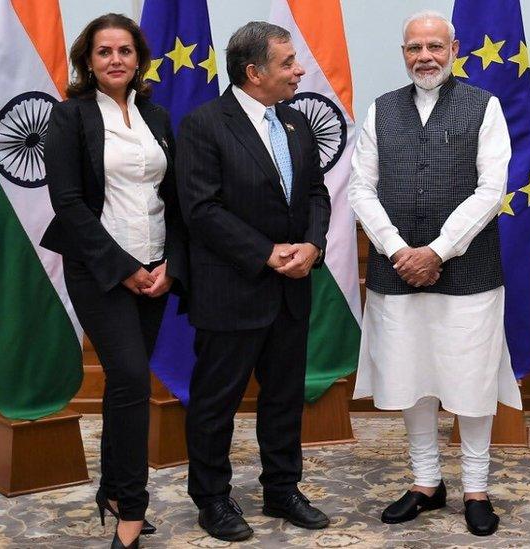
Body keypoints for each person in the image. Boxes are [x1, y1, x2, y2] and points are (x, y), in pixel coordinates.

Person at [348, 10, 522, 538]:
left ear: (454, 48)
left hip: (469, 272)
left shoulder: (484, 105)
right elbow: (360, 188)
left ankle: (475, 488)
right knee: (411, 378)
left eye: (434, 46)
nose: (424, 56)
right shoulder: (381, 110)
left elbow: (491, 190)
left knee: (470, 381)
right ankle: (426, 483)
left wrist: (439, 251)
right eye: (413, 48)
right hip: (395, 269)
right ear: (403, 53)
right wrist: (401, 249)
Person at [174, 21, 332, 543]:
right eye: (287, 63)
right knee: (216, 401)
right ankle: (213, 500)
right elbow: (201, 209)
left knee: (284, 397)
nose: (299, 70)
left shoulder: (296, 122)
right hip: (233, 289)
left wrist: (312, 245)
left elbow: (315, 193)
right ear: (253, 72)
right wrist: (265, 253)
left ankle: (282, 490)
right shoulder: (204, 124)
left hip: (292, 287)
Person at [41, 13, 187, 549]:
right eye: (104, 52)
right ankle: (132, 507)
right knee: (129, 378)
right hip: (100, 271)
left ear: (138, 57)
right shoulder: (70, 117)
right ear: (88, 60)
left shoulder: (158, 115)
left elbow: (174, 200)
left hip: (157, 270)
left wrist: (170, 263)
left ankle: (111, 489)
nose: (115, 60)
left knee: (126, 386)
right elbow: (68, 203)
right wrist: (123, 268)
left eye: (124, 50)